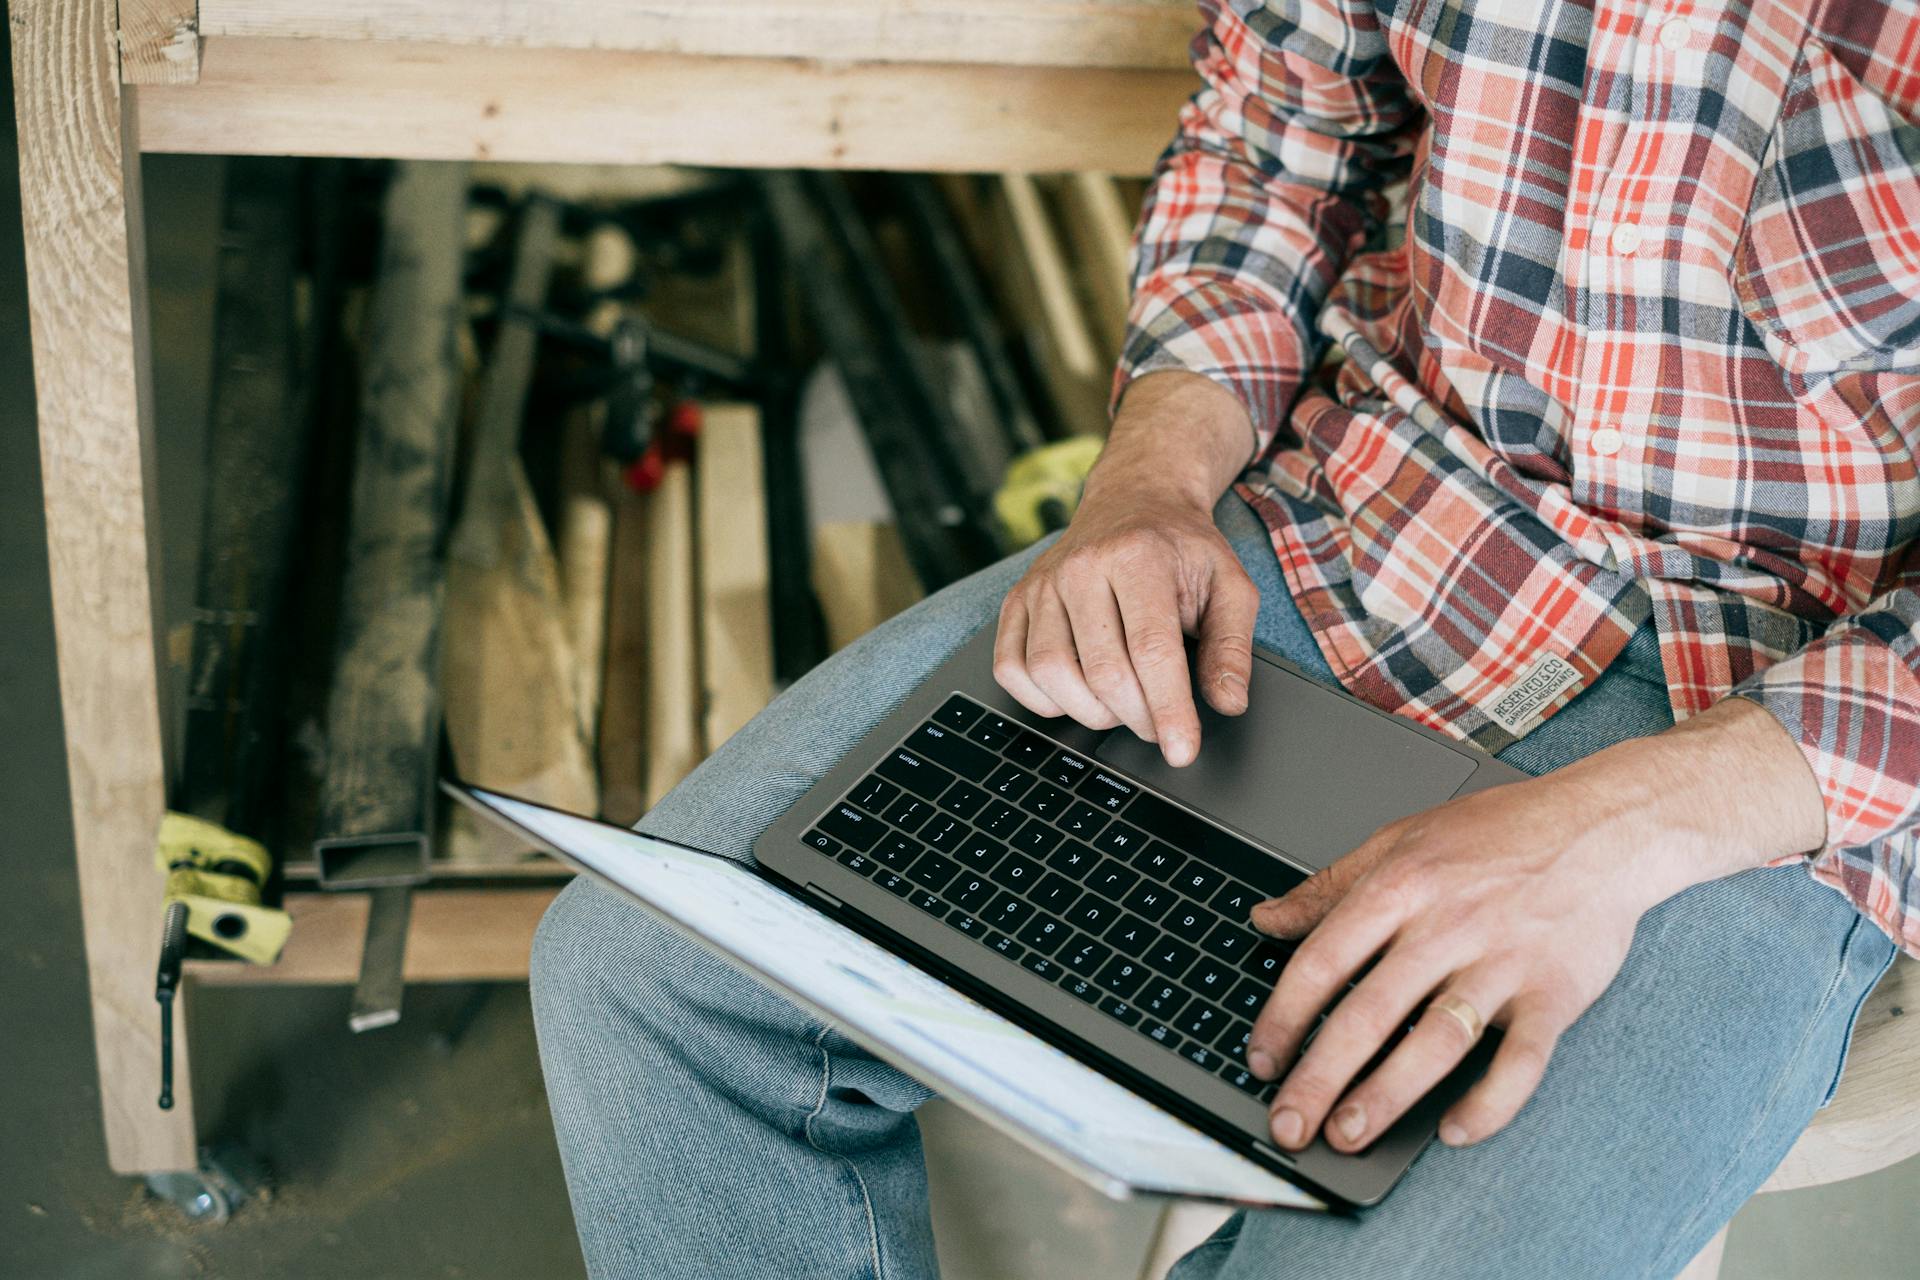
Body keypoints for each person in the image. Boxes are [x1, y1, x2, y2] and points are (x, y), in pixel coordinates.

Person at [530, 1, 1920, 1274]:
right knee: (648, 981)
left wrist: (1622, 827)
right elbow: (1277, 135)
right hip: (1367, 519)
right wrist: (1150, 478)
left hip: (1788, 717)